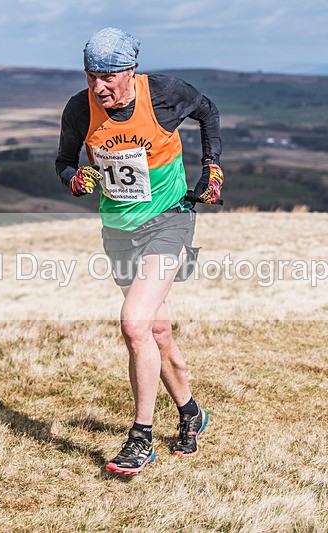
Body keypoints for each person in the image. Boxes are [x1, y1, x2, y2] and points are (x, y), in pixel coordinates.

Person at [55, 27, 223, 475]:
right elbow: (64, 161)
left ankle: (140, 438)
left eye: (109, 77)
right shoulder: (79, 108)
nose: (98, 87)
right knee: (157, 330)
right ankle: (191, 414)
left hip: (170, 219)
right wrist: (75, 179)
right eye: (92, 76)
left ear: (131, 71)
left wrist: (212, 167)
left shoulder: (165, 94)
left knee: (133, 324)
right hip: (118, 230)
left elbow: (208, 112)